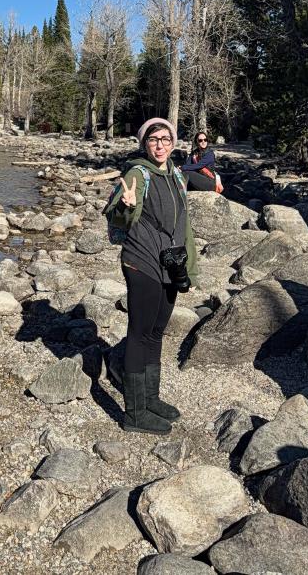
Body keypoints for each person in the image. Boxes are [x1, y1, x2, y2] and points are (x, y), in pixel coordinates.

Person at [104, 117, 196, 434]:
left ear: (173, 142)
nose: (160, 144)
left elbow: (184, 225)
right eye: (153, 139)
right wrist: (126, 206)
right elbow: (119, 217)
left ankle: (150, 399)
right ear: (145, 144)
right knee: (139, 333)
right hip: (141, 261)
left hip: (169, 264)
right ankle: (133, 414)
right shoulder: (137, 173)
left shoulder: (176, 174)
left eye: (165, 138)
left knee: (156, 332)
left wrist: (190, 266)